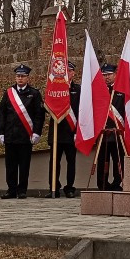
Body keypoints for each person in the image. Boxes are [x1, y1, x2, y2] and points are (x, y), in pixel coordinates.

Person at [0, 64, 45, 200]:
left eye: (23, 76)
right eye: (18, 76)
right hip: (10, 134)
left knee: (24, 165)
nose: (20, 78)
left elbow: (38, 115)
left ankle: (22, 190)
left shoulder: (34, 93)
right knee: (10, 165)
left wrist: (36, 133)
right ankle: (11, 190)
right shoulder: (9, 92)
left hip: (25, 135)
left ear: (27, 78)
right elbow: (2, 113)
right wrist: (0, 132)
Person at [48, 61, 79, 199]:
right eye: (65, 71)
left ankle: (70, 188)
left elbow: (81, 111)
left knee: (71, 161)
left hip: (72, 131)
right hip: (57, 129)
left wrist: (78, 131)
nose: (68, 73)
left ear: (73, 73)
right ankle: (53, 187)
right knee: (54, 161)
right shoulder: (53, 88)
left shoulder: (78, 89)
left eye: (70, 71)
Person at [97, 64, 127, 191]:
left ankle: (117, 182)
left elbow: (126, 112)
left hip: (117, 131)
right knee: (103, 160)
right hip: (103, 132)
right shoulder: (98, 91)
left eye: (109, 74)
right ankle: (102, 183)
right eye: (104, 75)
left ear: (115, 75)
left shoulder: (121, 91)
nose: (106, 77)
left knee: (118, 160)